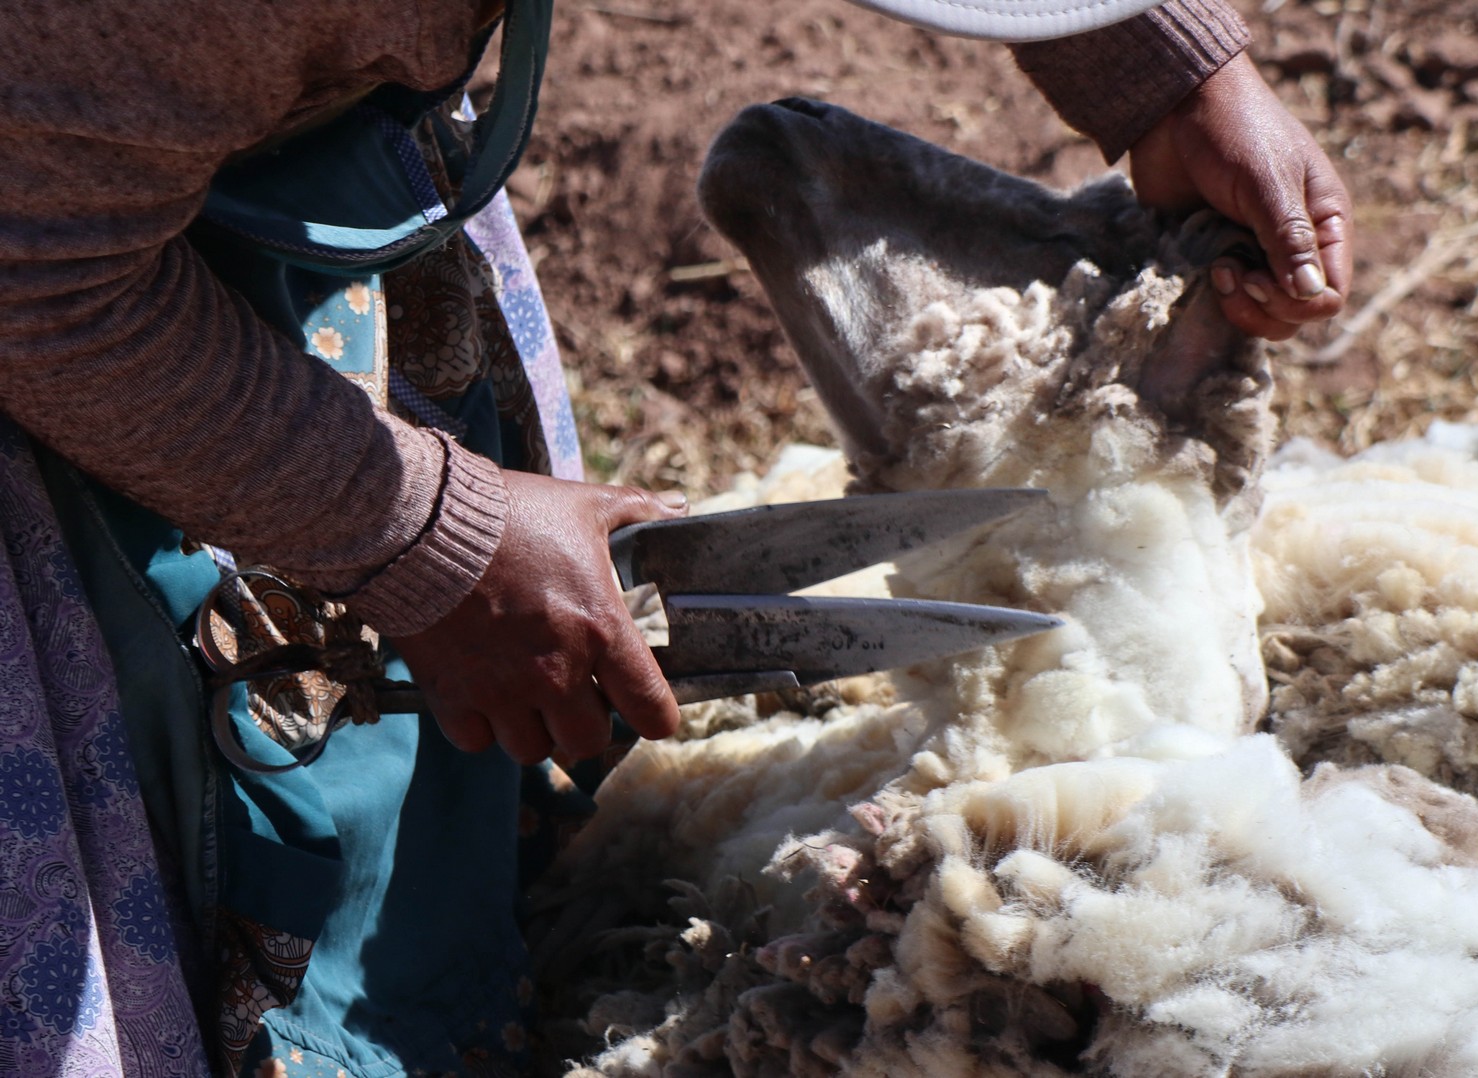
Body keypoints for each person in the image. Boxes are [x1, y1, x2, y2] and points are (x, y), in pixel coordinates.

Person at [0, 0, 1352, 1074]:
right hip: (83, 328)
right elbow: (32, 264)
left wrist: (1156, 61)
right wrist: (417, 530)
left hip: (263, 190)